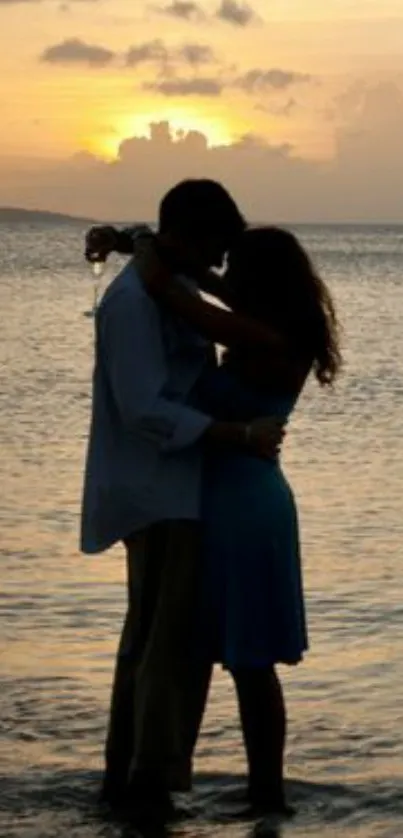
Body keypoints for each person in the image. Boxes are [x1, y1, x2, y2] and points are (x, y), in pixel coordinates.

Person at [87, 221, 341, 815]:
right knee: (226, 652)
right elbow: (201, 281)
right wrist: (136, 239)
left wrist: (149, 252)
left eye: (239, 268)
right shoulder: (271, 317)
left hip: (247, 506)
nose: (227, 275)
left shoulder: (268, 334)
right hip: (226, 499)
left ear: (260, 280)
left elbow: (182, 298)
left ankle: (267, 796)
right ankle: (255, 794)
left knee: (251, 660)